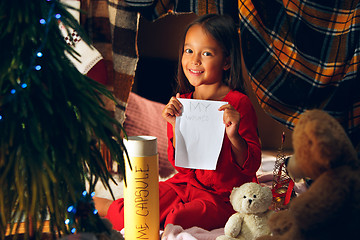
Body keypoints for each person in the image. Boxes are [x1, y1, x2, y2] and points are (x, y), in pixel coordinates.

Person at [94, 13, 261, 233]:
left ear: (227, 61)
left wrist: (234, 136)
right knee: (137, 211)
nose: (195, 60)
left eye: (207, 53)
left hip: (223, 197)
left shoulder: (238, 103)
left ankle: (147, 214)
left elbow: (250, 166)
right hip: (185, 185)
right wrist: (175, 127)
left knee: (177, 219)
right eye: (189, 50)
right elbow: (180, 166)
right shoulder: (184, 102)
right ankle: (105, 205)